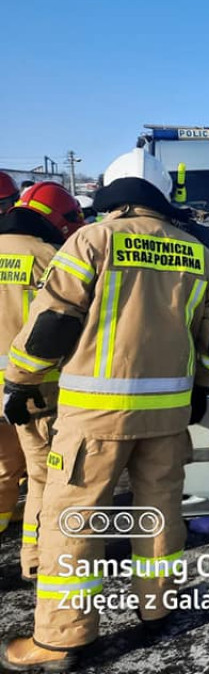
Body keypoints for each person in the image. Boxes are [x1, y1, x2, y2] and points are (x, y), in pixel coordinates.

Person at [0, 149, 209, 671]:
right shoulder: (198, 254)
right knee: (159, 512)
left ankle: (61, 638)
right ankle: (158, 608)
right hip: (168, 416)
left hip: (94, 418)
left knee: (73, 519)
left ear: (114, 193)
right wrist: (201, 385)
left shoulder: (93, 241)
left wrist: (21, 380)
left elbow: (52, 323)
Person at [0, 183, 83, 583]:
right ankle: (35, 560)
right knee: (41, 476)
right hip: (31, 388)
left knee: (3, 469)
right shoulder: (49, 257)